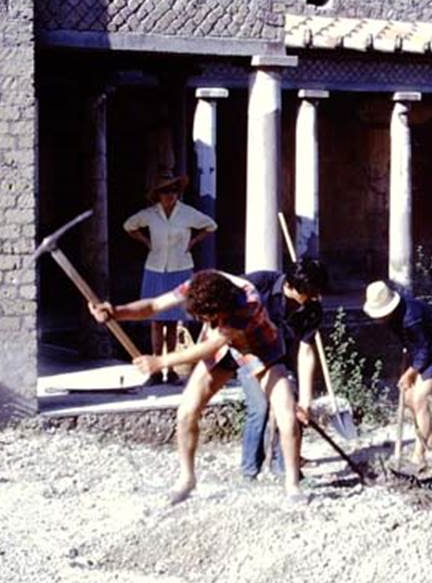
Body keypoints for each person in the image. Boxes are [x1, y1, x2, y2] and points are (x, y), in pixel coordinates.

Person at [89, 270, 303, 503]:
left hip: (259, 349)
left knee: (286, 416)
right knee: (186, 412)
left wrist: (161, 361)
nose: (206, 322)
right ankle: (187, 478)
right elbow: (153, 306)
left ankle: (292, 485)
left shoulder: (247, 301)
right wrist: (116, 312)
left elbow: (212, 344)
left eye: (210, 318)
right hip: (222, 350)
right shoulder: (196, 286)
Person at [122, 169, 217, 385]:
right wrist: (146, 242)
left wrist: (192, 243)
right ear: (158, 195)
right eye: (165, 191)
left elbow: (211, 225)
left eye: (174, 191)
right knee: (156, 321)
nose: (170, 195)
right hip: (155, 267)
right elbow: (129, 225)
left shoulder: (187, 213)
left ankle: (171, 368)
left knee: (173, 321)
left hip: (180, 266)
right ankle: (156, 369)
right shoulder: (150, 214)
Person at [239, 259, 328, 480]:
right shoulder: (259, 283)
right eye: (308, 293)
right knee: (259, 407)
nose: (313, 299)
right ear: (290, 286)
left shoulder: (312, 305)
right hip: (248, 350)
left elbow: (306, 352)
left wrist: (306, 401)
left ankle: (286, 469)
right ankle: (249, 470)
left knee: (291, 410)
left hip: (283, 356)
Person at [363, 280, 432, 467]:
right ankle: (430, 438)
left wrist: (411, 372)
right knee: (408, 397)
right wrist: (407, 366)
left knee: (420, 399)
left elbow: (426, 349)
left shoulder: (412, 318)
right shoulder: (394, 316)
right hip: (424, 349)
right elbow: (411, 344)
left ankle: (419, 454)